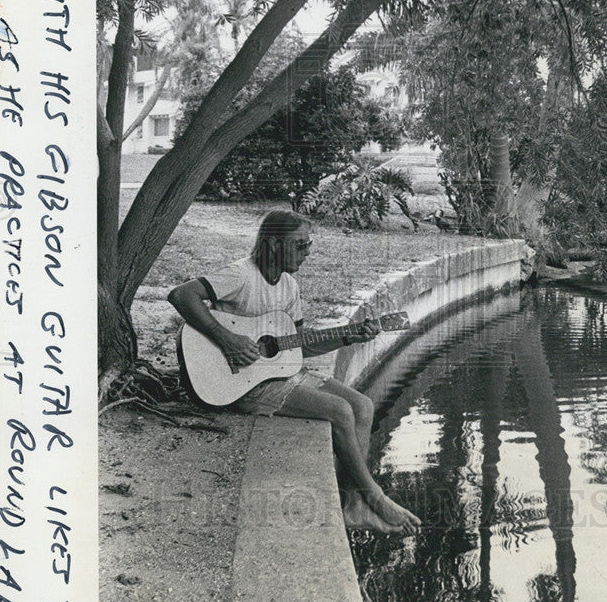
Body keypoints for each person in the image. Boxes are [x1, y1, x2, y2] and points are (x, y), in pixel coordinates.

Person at [168, 209, 421, 535]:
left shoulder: (289, 286)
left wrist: (349, 334)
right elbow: (181, 295)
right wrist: (227, 339)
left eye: (309, 244)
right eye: (300, 245)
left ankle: (355, 507)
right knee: (340, 411)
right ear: (274, 245)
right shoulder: (241, 276)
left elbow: (298, 345)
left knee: (363, 406)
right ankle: (376, 497)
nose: (308, 251)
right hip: (242, 384)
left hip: (279, 374)